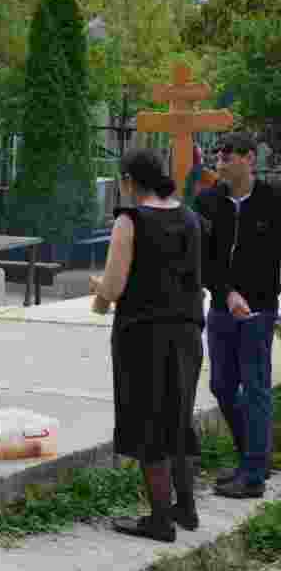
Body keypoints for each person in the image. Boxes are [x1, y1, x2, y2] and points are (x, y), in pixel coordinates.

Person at [90, 147, 204, 542]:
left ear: (127, 181)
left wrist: (98, 290)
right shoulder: (189, 217)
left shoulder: (130, 220)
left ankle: (159, 519)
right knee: (178, 419)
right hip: (187, 334)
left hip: (143, 336)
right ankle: (186, 508)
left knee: (149, 424)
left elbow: (114, 287)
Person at [194, 132, 281, 499]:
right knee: (222, 386)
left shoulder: (273, 201)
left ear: (247, 158)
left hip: (258, 311)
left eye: (227, 155)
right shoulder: (207, 202)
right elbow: (202, 257)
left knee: (257, 388)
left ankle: (253, 474)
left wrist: (258, 300)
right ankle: (253, 461)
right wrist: (226, 293)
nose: (220, 161)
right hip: (220, 309)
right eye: (217, 155)